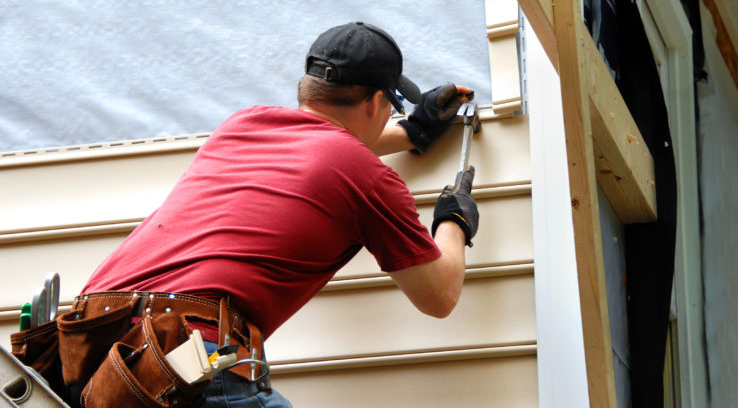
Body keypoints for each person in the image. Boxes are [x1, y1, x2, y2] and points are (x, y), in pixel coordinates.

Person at [72, 21, 480, 407]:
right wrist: (453, 222)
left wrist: (413, 131)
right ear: (376, 102)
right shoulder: (367, 176)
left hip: (92, 339)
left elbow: (320, 152)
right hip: (183, 348)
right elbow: (438, 296)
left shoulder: (242, 126)